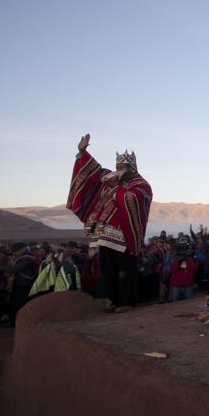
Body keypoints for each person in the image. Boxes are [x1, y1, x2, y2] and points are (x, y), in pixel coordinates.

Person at [66, 134, 152, 312]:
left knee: (126, 269)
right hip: (103, 233)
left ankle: (127, 302)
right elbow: (92, 172)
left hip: (125, 235)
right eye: (117, 166)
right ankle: (113, 300)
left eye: (122, 167)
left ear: (132, 168)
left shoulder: (141, 184)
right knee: (107, 269)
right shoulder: (109, 177)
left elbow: (133, 199)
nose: (118, 169)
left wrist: (115, 188)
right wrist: (82, 153)